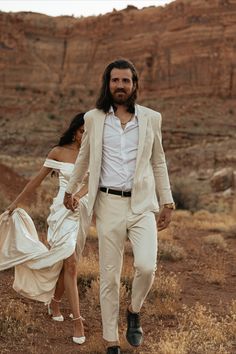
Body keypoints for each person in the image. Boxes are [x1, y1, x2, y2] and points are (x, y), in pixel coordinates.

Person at [63, 59, 175, 354]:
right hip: (109, 204)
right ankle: (111, 340)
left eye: (126, 81)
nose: (121, 86)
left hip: (141, 206)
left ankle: (134, 310)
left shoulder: (151, 118)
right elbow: (84, 160)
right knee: (109, 276)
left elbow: (158, 160)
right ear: (108, 84)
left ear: (135, 85)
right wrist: (70, 190)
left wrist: (168, 201)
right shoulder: (94, 119)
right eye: (116, 81)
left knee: (146, 265)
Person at [0, 112, 90, 345]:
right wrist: (13, 204)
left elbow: (93, 182)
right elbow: (35, 180)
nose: (85, 136)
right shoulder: (58, 153)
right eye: (82, 131)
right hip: (61, 212)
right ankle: (78, 320)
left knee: (69, 261)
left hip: (81, 210)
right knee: (69, 263)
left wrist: (78, 196)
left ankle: (55, 301)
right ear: (74, 130)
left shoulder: (93, 154)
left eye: (89, 132)